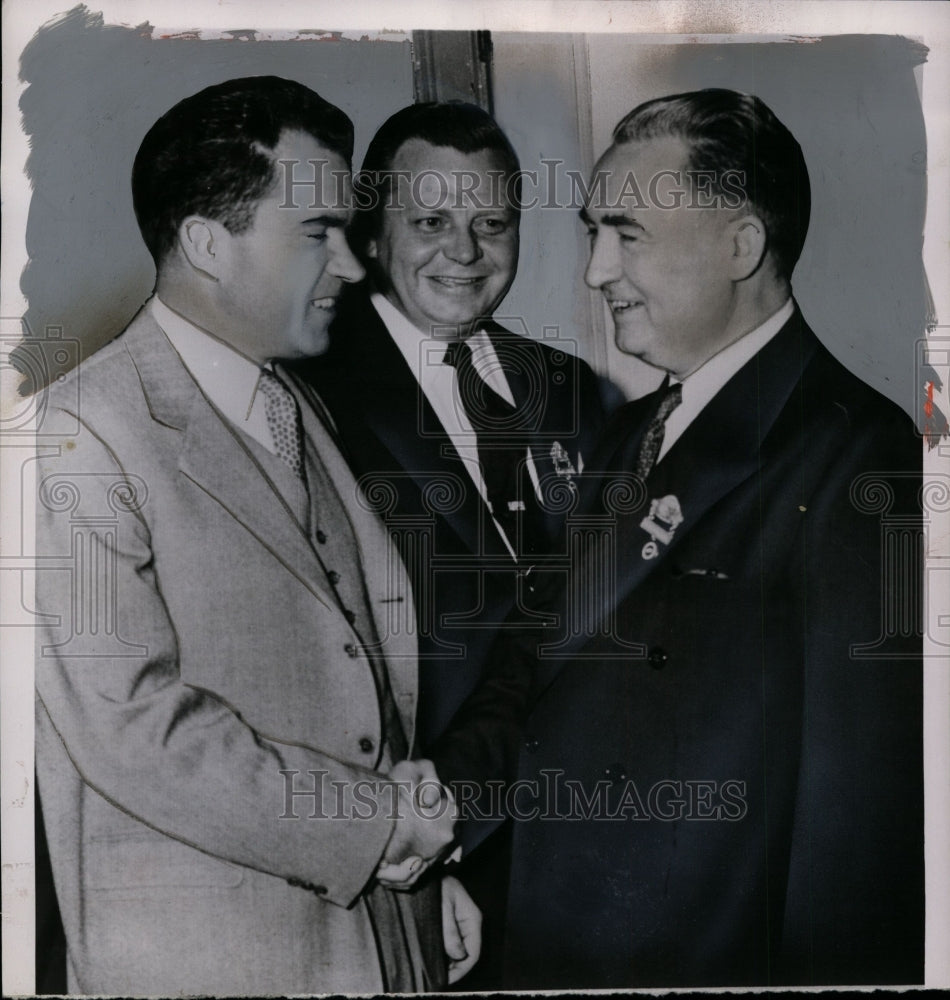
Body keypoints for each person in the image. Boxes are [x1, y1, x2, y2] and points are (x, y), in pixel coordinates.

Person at [432, 88, 924, 988]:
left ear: (741, 246)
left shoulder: (858, 451)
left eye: (627, 236)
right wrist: (438, 818)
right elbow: (535, 668)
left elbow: (856, 826)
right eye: (594, 234)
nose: (596, 271)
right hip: (553, 944)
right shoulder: (627, 435)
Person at [33, 75, 478, 996]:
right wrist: (380, 829)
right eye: (317, 233)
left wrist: (423, 875)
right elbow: (135, 728)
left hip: (379, 934)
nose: (352, 265)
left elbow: (356, 683)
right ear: (207, 243)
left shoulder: (293, 401)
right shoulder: (76, 435)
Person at [294, 101, 607, 987]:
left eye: (491, 224)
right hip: (421, 852)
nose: (465, 253)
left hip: (582, 828)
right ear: (373, 232)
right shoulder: (311, 390)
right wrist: (428, 849)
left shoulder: (567, 386)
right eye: (431, 223)